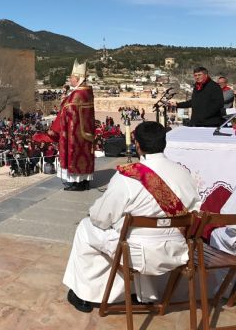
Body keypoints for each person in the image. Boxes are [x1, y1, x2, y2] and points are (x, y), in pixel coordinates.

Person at [63, 122, 201, 312]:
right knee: (135, 234)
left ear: (137, 145)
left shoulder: (128, 177)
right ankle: (144, 294)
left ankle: (84, 294)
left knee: (86, 228)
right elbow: (195, 210)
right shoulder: (184, 173)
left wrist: (95, 213)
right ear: (164, 143)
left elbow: (101, 218)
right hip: (175, 252)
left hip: (136, 254)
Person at [48, 60, 95, 191]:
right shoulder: (87, 91)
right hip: (86, 132)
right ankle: (84, 181)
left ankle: (78, 183)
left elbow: (65, 111)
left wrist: (54, 130)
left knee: (75, 156)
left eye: (72, 77)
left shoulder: (77, 94)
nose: (70, 79)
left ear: (78, 78)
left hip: (76, 133)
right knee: (84, 156)